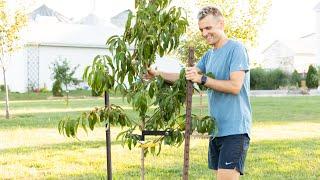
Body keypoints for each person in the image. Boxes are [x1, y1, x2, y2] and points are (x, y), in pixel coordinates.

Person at [147, 6, 251, 180]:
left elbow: (235, 86)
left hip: (235, 130)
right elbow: (185, 76)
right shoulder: (209, 56)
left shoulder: (236, 49)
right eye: (201, 29)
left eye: (208, 28)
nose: (204, 33)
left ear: (221, 24)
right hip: (216, 130)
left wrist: (203, 79)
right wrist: (156, 74)